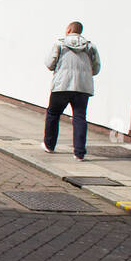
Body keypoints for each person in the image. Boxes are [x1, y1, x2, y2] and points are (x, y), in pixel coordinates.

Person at [44, 21, 101, 160]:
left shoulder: (60, 43)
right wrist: (85, 74)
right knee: (80, 117)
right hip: (82, 88)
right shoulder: (90, 46)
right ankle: (79, 153)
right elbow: (97, 67)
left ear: (69, 29)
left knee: (53, 114)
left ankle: (49, 145)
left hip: (61, 86)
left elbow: (50, 64)